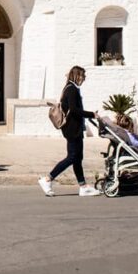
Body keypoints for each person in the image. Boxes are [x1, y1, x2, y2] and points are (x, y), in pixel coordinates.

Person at [38, 66, 100, 197]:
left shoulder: (70, 88)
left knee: (78, 158)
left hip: (74, 128)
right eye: (83, 76)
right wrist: (92, 114)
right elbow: (75, 110)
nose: (84, 79)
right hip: (72, 129)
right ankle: (48, 179)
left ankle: (83, 187)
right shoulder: (71, 90)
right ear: (77, 76)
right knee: (72, 157)